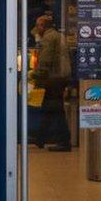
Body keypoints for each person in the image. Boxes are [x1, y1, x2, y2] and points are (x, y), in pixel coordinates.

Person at [30, 14, 72, 152]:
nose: (36, 28)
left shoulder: (48, 38)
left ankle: (64, 141)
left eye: (38, 25)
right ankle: (40, 137)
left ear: (43, 26)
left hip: (53, 79)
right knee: (49, 108)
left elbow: (45, 61)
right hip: (60, 77)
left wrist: (33, 74)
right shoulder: (59, 36)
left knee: (56, 110)